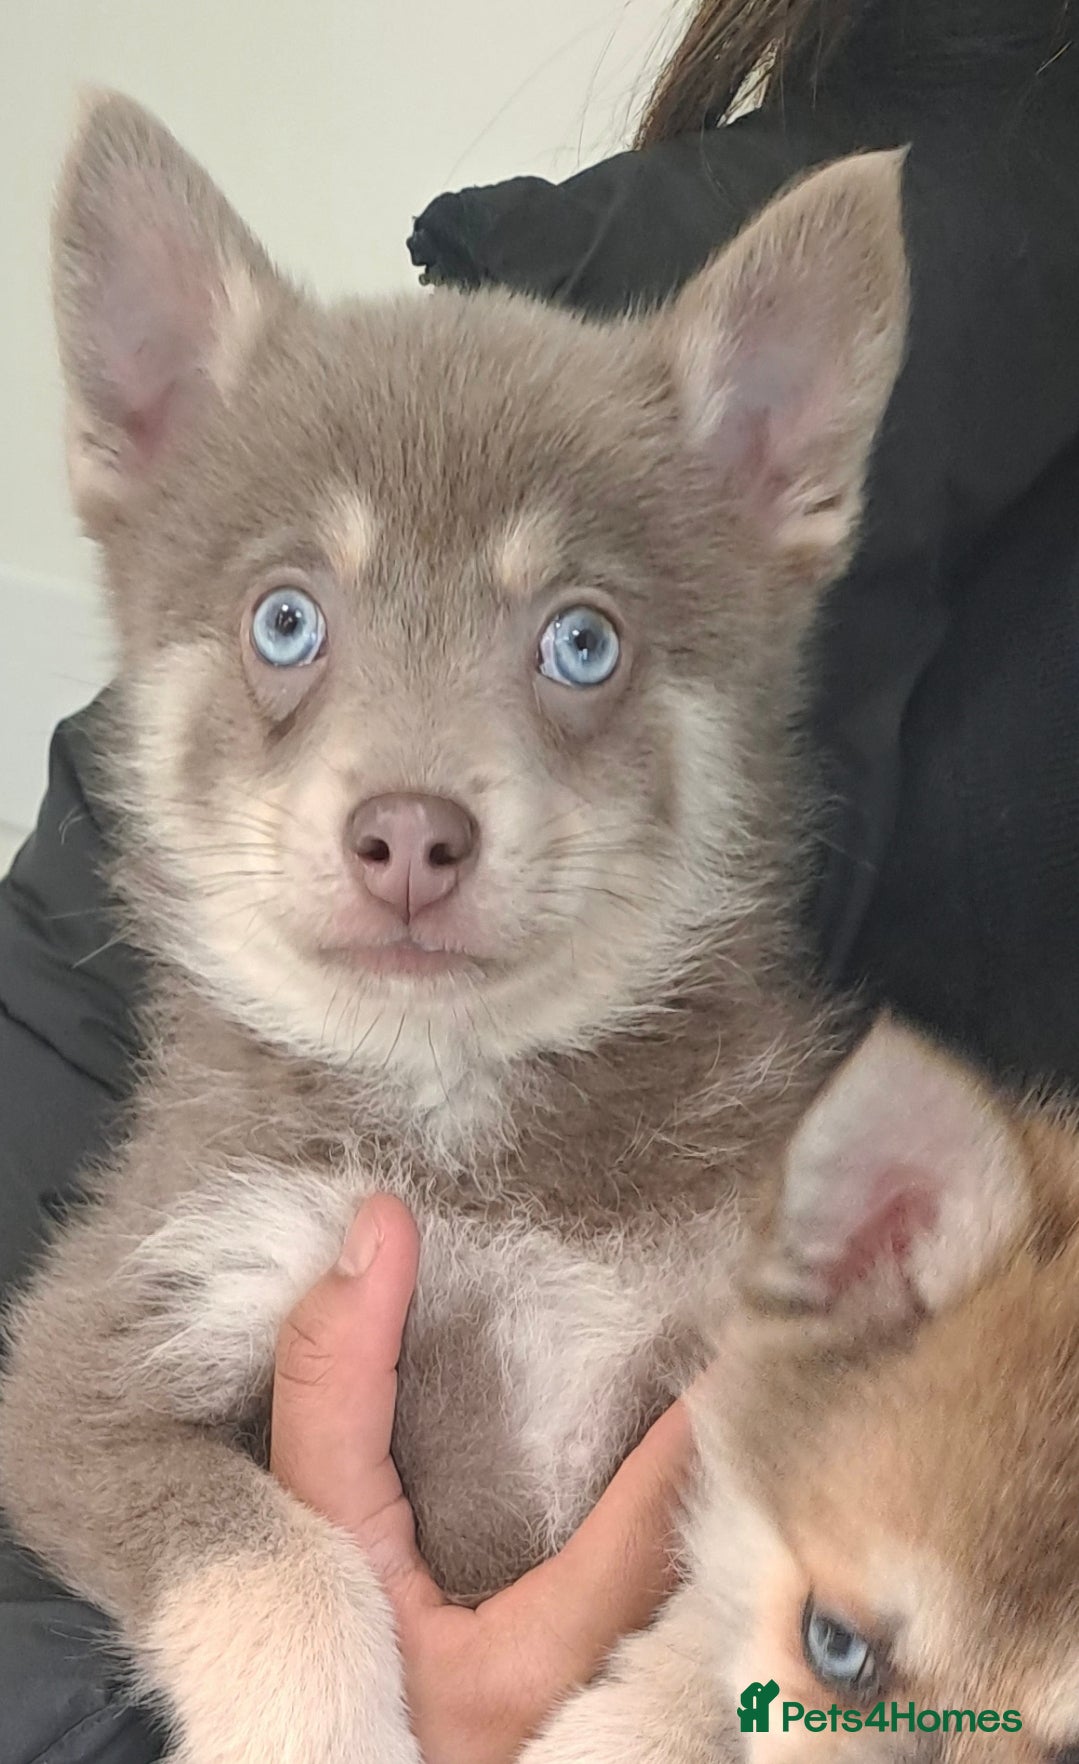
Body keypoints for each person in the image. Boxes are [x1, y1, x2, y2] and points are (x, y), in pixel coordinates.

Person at [3, 0, 1079, 1756]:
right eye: (294, 625)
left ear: (775, 481)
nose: (413, 806)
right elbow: (75, 1427)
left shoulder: (793, 1179)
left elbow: (821, 1652)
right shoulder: (205, 1121)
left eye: (577, 644)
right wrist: (300, 1662)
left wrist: (675, 1703)